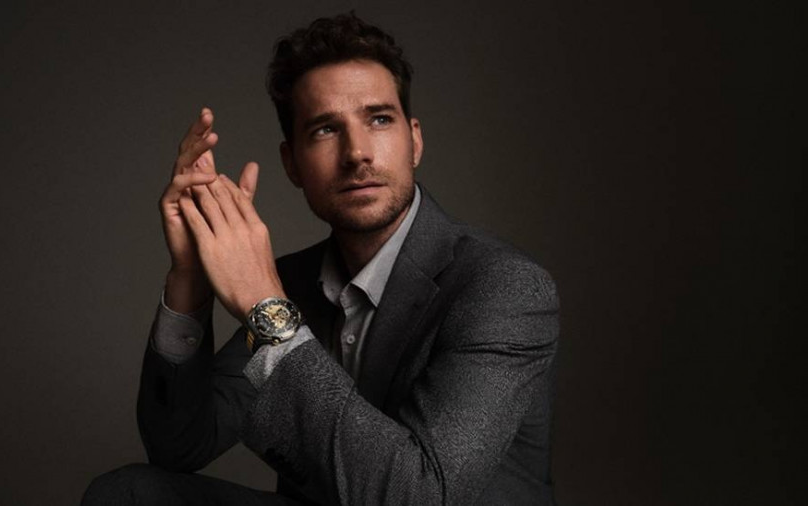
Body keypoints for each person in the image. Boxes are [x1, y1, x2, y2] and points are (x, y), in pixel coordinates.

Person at [83, 12, 559, 506]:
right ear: (292, 163)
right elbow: (179, 445)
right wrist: (190, 278)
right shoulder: (295, 281)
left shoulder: (505, 287)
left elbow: (417, 496)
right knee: (129, 495)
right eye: (326, 130)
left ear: (414, 140)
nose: (357, 153)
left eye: (379, 119)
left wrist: (266, 308)